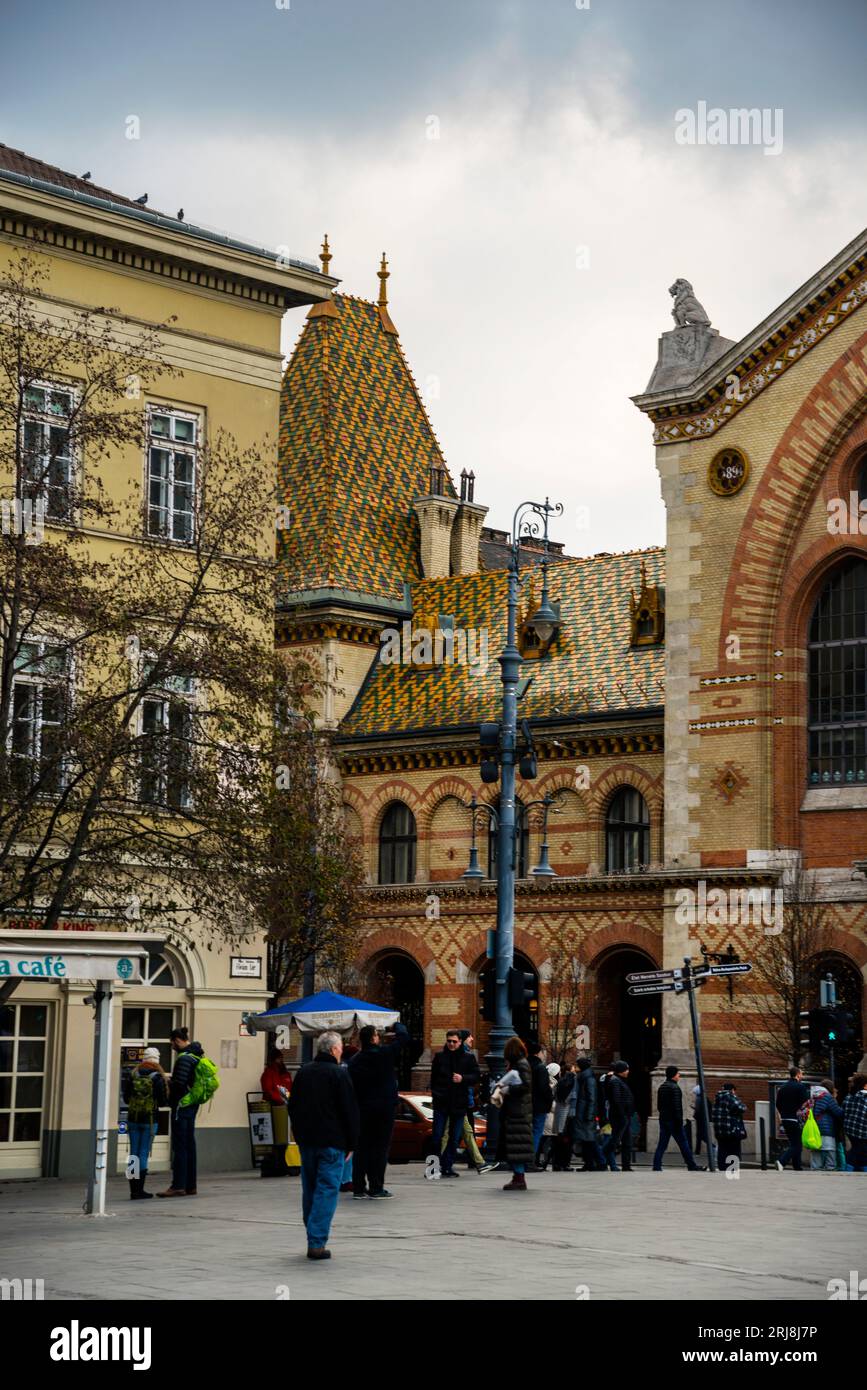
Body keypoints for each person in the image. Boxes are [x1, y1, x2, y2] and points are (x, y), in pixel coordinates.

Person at [287, 1030, 359, 1260]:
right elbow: (349, 1110)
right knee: (327, 1189)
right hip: (332, 1142)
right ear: (334, 1049)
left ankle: (313, 1233)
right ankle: (316, 1241)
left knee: (309, 1188)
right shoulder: (339, 1074)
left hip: (307, 1141)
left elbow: (293, 1107)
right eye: (339, 1049)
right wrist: (352, 1143)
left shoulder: (304, 1073)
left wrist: (299, 1135)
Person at [347, 1019, 409, 1199]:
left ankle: (358, 1187)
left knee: (361, 1147)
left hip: (362, 1108)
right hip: (384, 1109)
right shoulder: (385, 1054)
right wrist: (396, 1025)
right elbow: (403, 1037)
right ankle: (376, 1186)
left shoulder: (355, 1061)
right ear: (374, 1039)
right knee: (380, 1148)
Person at [158, 1028, 204, 1198]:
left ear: (177, 1040)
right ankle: (190, 1185)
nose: (171, 1046)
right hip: (192, 1104)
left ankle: (178, 1185)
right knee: (189, 1145)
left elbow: (180, 1083)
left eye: (172, 1043)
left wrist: (169, 1083)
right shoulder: (197, 1055)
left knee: (180, 1146)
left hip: (182, 1105)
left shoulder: (184, 1058)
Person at [442, 1032, 495, 1174]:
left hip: (462, 1102)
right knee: (448, 1134)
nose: (472, 1039)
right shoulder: (458, 1056)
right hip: (456, 1102)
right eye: (469, 1036)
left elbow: (473, 1077)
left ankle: (479, 1162)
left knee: (466, 1132)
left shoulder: (467, 1055)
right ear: (462, 1040)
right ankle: (437, 1164)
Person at [429, 1028, 480, 1177]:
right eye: (449, 1041)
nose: (451, 1044)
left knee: (454, 1137)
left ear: (459, 1042)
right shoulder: (439, 1057)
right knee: (437, 1136)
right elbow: (433, 1079)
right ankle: (432, 1168)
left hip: (459, 1103)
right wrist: (436, 1095)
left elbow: (476, 1076)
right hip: (442, 1103)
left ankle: (447, 1166)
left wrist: (463, 1078)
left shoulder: (468, 1058)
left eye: (454, 1042)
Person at [122, 1046, 167, 1199]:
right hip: (149, 1120)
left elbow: (126, 1098)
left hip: (133, 1119)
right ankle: (140, 1190)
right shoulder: (157, 1077)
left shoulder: (133, 1074)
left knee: (133, 1154)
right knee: (143, 1153)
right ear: (156, 1060)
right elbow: (162, 1101)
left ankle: (133, 1190)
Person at [496, 1036, 534, 1190]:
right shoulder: (521, 1064)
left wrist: (508, 1089)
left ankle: (518, 1177)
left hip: (517, 1111)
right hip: (519, 1110)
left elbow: (525, 1085)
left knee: (517, 1145)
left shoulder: (520, 1065)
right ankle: (517, 1176)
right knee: (516, 1145)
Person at [652, 1065, 704, 1171]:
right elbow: (677, 1107)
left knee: (662, 1144)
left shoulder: (662, 1087)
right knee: (683, 1143)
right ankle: (691, 1165)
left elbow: (659, 1106)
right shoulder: (675, 1088)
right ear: (673, 1075)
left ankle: (656, 1165)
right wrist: (679, 1121)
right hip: (674, 1121)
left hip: (664, 1120)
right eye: (677, 1073)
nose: (679, 1075)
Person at [569, 1057, 604, 1170]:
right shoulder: (584, 1077)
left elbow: (592, 1098)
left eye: (578, 1065)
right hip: (583, 1113)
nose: (576, 1067)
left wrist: (589, 1115)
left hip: (585, 1114)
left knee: (589, 1139)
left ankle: (598, 1163)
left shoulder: (588, 1078)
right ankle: (590, 1163)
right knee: (587, 1140)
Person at [775, 1066, 810, 1171]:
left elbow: (778, 1104)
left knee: (794, 1142)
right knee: (797, 1144)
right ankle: (781, 1162)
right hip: (795, 1119)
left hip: (785, 1118)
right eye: (802, 1074)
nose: (802, 1076)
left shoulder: (783, 1087)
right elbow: (805, 1104)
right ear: (798, 1074)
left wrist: (783, 1113)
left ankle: (797, 1166)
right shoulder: (800, 1087)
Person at [604, 1061, 635, 1172]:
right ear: (621, 1070)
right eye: (626, 1069)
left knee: (627, 1141)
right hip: (620, 1116)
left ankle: (626, 1165)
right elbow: (616, 1100)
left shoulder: (619, 1080)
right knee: (615, 1139)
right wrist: (622, 1114)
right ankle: (601, 1155)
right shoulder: (615, 1081)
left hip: (625, 1115)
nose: (628, 1071)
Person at [808, 1078, 843, 1172]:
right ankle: (830, 1172)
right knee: (830, 1152)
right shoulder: (827, 1097)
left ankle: (815, 1173)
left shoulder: (813, 1095)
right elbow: (838, 1112)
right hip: (826, 1129)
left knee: (816, 1151)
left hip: (814, 1128)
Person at [711, 1081, 747, 1171]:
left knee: (722, 1149)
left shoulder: (717, 1097)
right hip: (731, 1129)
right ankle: (732, 1168)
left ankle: (722, 1167)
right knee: (734, 1149)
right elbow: (741, 1108)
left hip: (719, 1130)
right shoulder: (730, 1096)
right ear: (732, 1090)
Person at [528, 1040, 553, 1166]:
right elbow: (544, 1088)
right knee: (537, 1132)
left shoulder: (525, 1065)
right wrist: (550, 1100)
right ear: (539, 1053)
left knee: (527, 1132)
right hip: (539, 1105)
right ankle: (531, 1160)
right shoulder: (540, 1068)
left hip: (526, 1104)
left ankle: (526, 1160)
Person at [551, 1064, 576, 1171]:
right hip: (568, 1115)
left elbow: (554, 1095)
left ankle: (556, 1163)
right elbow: (572, 1098)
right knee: (567, 1140)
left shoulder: (559, 1083)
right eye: (573, 1070)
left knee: (558, 1139)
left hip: (558, 1113)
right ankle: (565, 1163)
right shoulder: (573, 1083)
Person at [536, 1062, 561, 1170]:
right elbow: (550, 1101)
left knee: (543, 1140)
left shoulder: (548, 1081)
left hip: (548, 1116)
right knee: (549, 1141)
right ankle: (545, 1162)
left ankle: (540, 1162)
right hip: (550, 1117)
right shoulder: (552, 1084)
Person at [842, 1073, 867, 1172]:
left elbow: (843, 1111)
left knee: (861, 1151)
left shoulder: (849, 1097)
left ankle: (861, 1169)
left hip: (849, 1130)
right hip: (863, 1131)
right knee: (858, 1150)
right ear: (864, 1085)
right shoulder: (865, 1097)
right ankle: (848, 1170)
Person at [691, 1082, 708, 1155]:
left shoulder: (698, 1098)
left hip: (699, 1119)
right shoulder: (703, 1098)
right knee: (700, 1135)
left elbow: (698, 1109)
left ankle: (713, 1147)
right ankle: (697, 1151)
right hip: (702, 1118)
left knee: (701, 1135)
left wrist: (694, 1109)